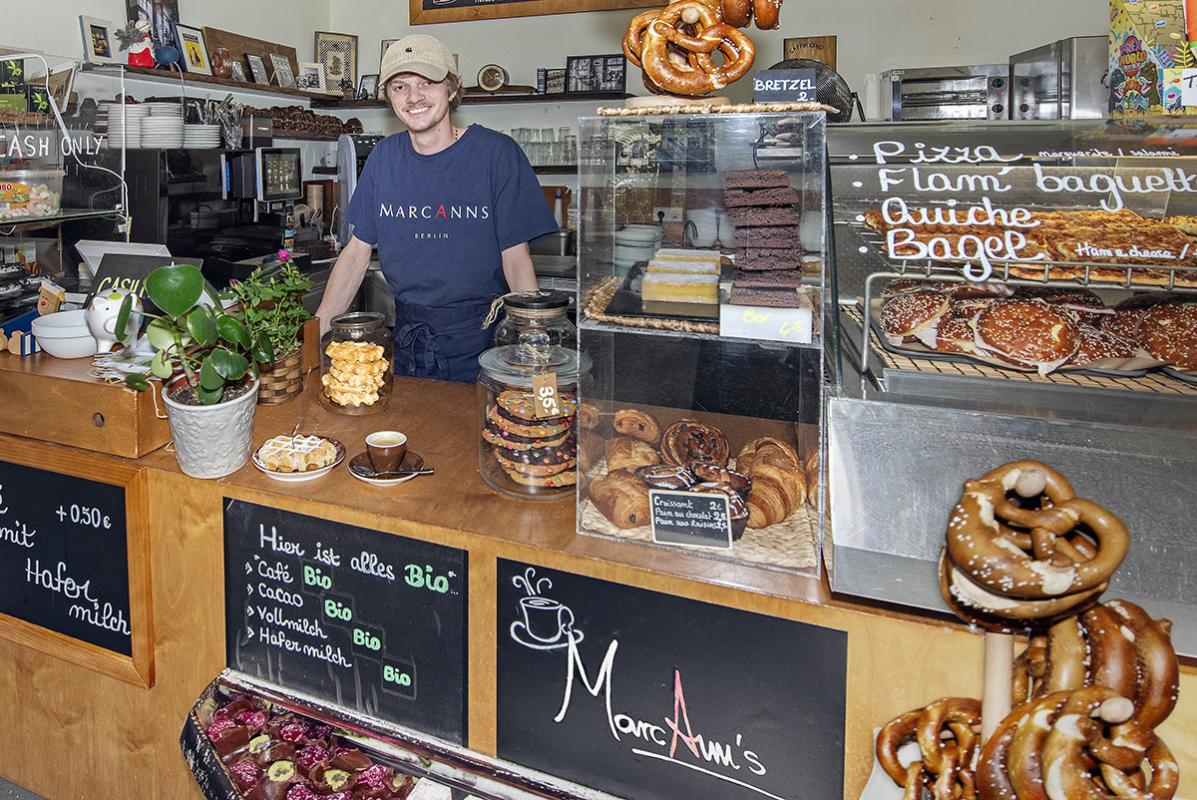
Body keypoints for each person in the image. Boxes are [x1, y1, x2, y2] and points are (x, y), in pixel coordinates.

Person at [316, 34, 558, 382]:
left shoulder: (496, 154)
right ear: (388, 97)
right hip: (407, 339)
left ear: (453, 88)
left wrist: (533, 350)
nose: (413, 97)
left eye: (426, 82)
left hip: (484, 341)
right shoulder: (384, 158)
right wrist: (317, 335)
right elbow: (355, 255)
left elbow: (517, 261)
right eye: (399, 87)